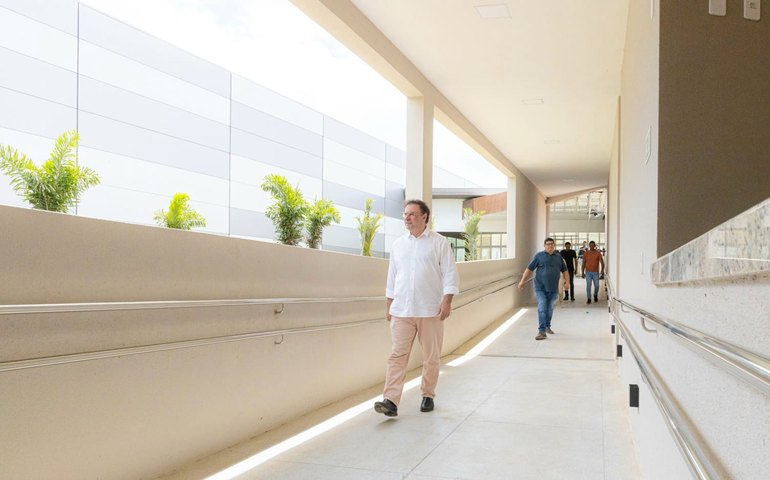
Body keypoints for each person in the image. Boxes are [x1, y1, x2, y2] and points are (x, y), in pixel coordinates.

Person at [373, 199, 459, 417]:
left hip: (430, 309)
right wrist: (389, 305)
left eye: (412, 214)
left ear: (424, 217)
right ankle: (390, 400)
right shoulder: (398, 244)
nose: (407, 218)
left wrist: (447, 300)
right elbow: (392, 277)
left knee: (431, 356)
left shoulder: (439, 243)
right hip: (402, 309)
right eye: (405, 215)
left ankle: (428, 394)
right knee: (397, 355)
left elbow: (450, 273)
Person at [518, 237, 570, 340]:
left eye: (551, 244)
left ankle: (547, 327)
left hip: (553, 288)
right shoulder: (539, 256)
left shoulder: (558, 258)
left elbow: (565, 271)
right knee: (542, 306)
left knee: (550, 308)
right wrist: (522, 281)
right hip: (540, 287)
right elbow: (529, 269)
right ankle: (541, 331)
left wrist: (567, 282)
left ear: (554, 245)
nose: (550, 246)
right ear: (544, 246)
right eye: (548, 244)